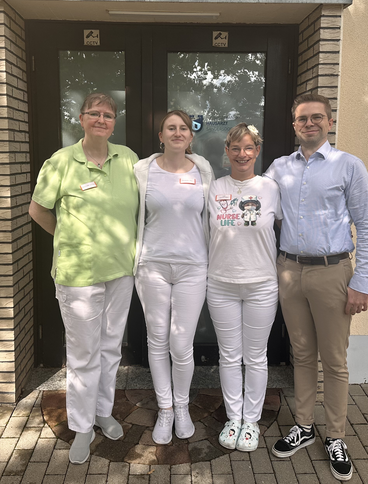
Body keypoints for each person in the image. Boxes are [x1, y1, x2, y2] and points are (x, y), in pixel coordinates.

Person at [266, 94, 368, 481]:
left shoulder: (349, 166)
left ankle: (335, 435)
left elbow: (367, 227)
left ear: (329, 122)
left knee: (334, 360)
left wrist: (361, 282)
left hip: (333, 273)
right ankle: (303, 424)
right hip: (289, 271)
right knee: (301, 354)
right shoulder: (279, 167)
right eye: (302, 118)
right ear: (294, 125)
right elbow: (260, 210)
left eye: (317, 117)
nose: (309, 123)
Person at [28, 93, 139, 465]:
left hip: (121, 271)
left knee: (110, 348)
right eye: (95, 113)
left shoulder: (128, 159)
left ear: (114, 121)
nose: (102, 120)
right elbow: (38, 210)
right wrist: (68, 238)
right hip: (78, 276)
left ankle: (102, 412)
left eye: (108, 115)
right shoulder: (61, 162)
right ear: (81, 118)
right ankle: (81, 426)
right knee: (82, 355)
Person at [133, 110, 214, 444]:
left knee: (181, 344)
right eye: (171, 128)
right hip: (152, 265)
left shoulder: (204, 169)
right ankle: (165, 408)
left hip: (193, 267)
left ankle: (182, 406)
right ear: (161, 136)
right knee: (157, 339)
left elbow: (211, 215)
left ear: (190, 137)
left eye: (183, 128)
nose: (177, 132)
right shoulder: (142, 170)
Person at [207, 123, 282, 452]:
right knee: (228, 356)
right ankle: (233, 418)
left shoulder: (270, 188)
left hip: (262, 285)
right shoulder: (213, 187)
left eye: (248, 147)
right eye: (235, 148)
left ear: (257, 151)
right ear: (227, 151)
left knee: (255, 357)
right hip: (220, 284)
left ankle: (251, 421)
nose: (242, 154)